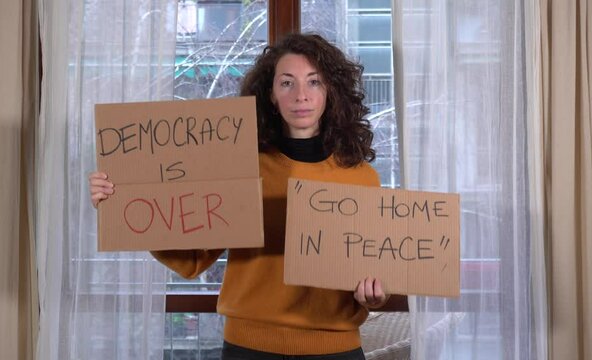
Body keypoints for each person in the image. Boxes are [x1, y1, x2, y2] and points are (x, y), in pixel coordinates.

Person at [89, 33, 390, 359]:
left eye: (314, 82)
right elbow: (192, 260)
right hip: (249, 348)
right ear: (272, 95)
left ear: (330, 91)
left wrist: (373, 296)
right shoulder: (241, 167)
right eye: (287, 83)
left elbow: (371, 275)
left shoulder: (362, 177)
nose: (301, 95)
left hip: (336, 350)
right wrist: (122, 202)